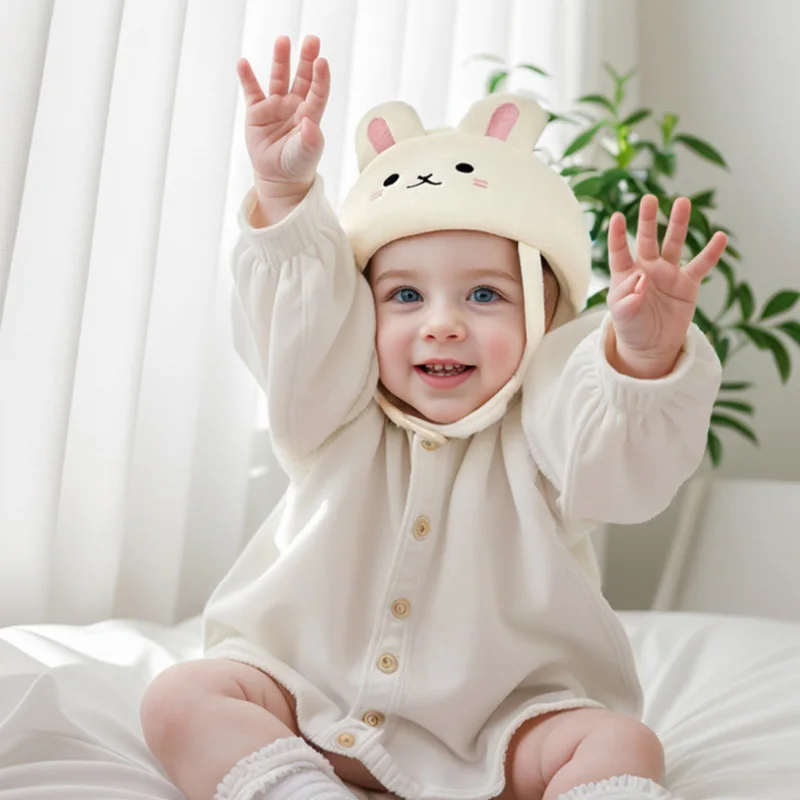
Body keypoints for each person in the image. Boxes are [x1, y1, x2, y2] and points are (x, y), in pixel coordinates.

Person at [140, 34, 727, 800]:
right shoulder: (332, 401)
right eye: (405, 296)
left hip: (502, 727)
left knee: (622, 741)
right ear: (362, 311)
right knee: (182, 696)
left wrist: (641, 360)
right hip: (310, 699)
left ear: (544, 318)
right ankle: (293, 789)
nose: (441, 324)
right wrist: (285, 199)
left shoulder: (546, 420)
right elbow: (299, 316)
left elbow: (618, 467)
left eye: (485, 295)